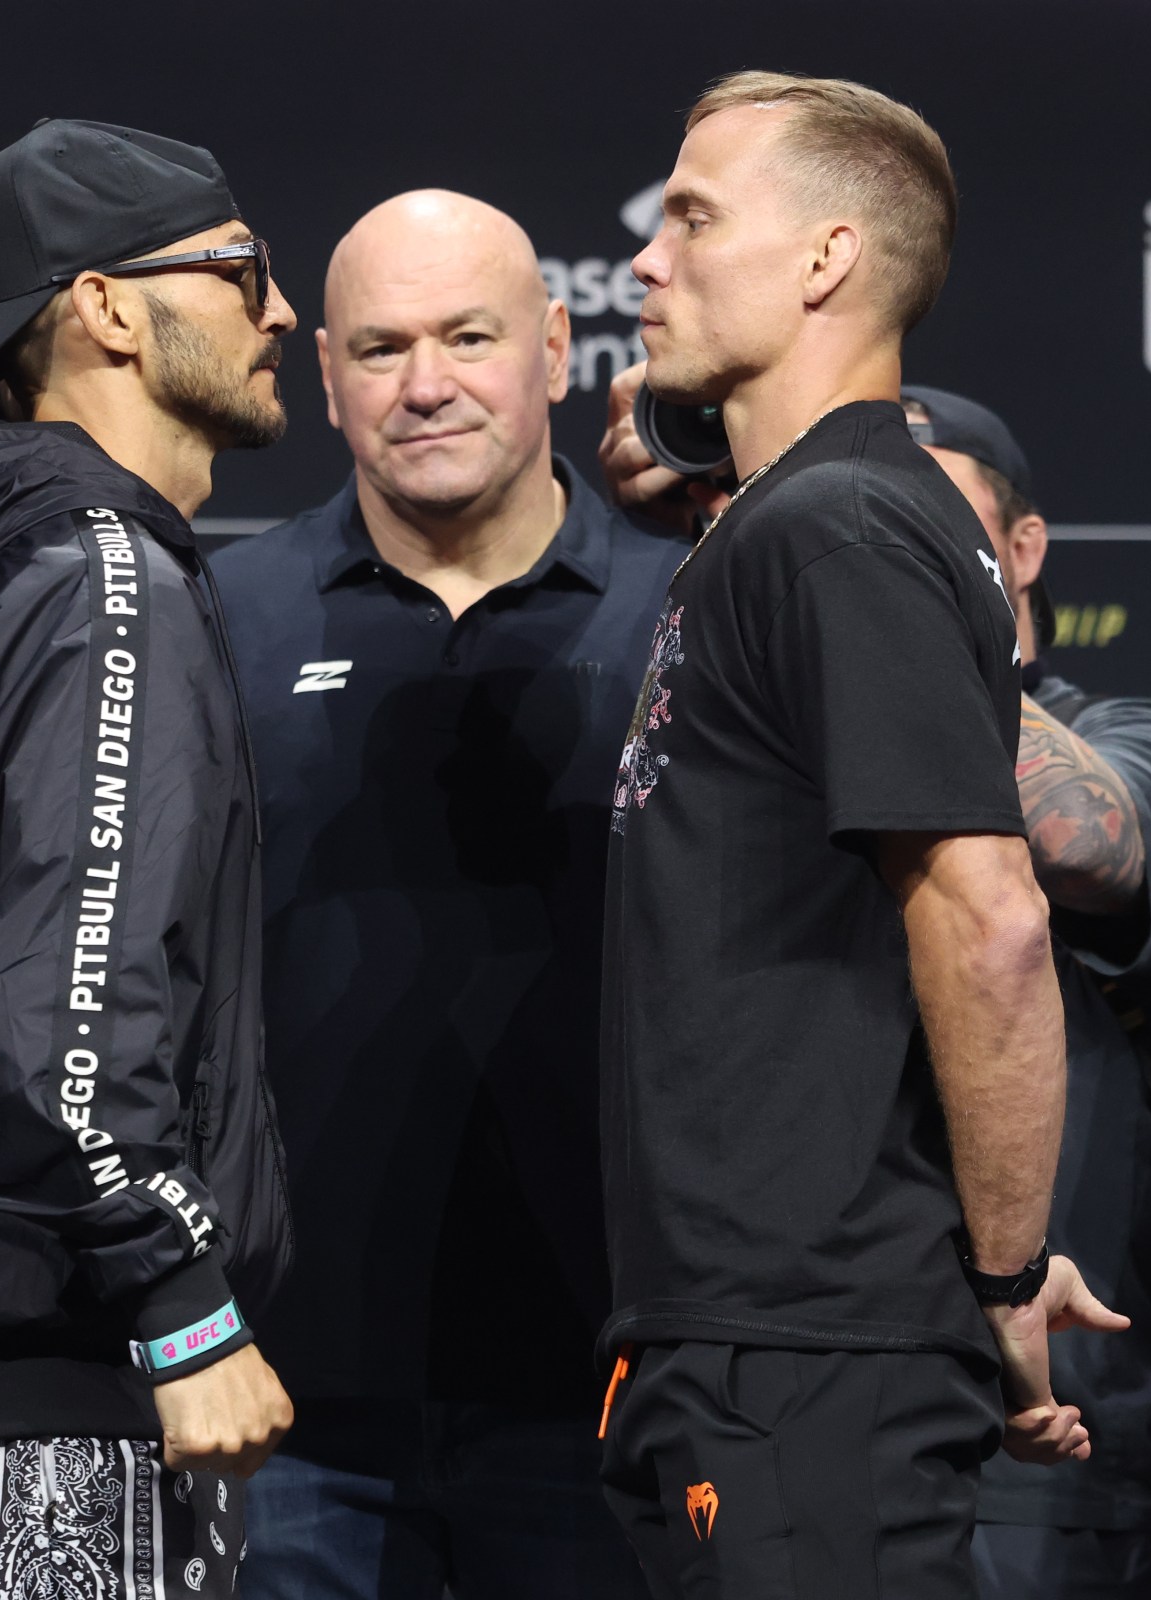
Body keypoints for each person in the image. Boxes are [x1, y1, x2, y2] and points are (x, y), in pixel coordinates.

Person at [591, 73, 1125, 1599]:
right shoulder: (789, 522)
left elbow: (992, 922)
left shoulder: (841, 525)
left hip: (805, 1354)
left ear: (827, 257)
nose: (646, 260)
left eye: (694, 219)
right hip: (759, 1341)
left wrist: (1004, 1273)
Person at [605, 368, 1151, 1600]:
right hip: (823, 1376)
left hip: (1053, 1437)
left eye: (923, 513)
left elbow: (1090, 848)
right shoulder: (760, 702)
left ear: (1022, 548)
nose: (880, 538)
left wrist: (853, 570)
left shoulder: (1147, 742)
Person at [0, 119, 298, 1600]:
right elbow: (62, 1015)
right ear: (106, 310)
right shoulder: (97, 574)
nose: (281, 311)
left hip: (28, 1386)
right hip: (69, 1392)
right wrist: (182, 1303)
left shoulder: (36, 564)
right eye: (241, 270)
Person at [208, 189, 679, 1600]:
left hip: (611, 1385)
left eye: (469, 338)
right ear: (325, 376)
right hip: (287, 1403)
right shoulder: (222, 614)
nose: (425, 386)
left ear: (557, 346)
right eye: (380, 347)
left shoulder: (690, 611)